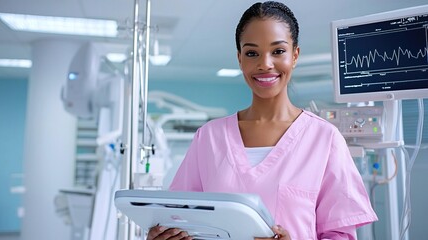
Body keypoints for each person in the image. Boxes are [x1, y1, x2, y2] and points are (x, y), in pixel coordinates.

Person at [148, 1, 378, 239]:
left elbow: (340, 234)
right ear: (240, 59)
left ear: (295, 55)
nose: (265, 64)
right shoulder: (209, 137)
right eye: (252, 53)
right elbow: (178, 218)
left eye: (278, 51)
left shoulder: (324, 140)